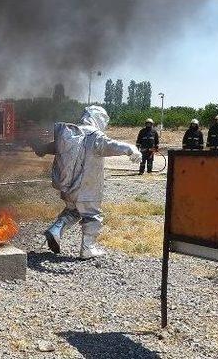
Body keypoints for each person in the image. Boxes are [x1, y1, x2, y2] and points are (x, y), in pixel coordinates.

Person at [33, 106, 142, 259]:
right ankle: (87, 248)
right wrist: (131, 149)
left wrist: (41, 148)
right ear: (98, 118)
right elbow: (113, 145)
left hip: (68, 186)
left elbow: (53, 147)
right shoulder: (95, 136)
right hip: (87, 188)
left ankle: (55, 230)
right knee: (92, 215)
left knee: (73, 211)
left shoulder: (71, 133)